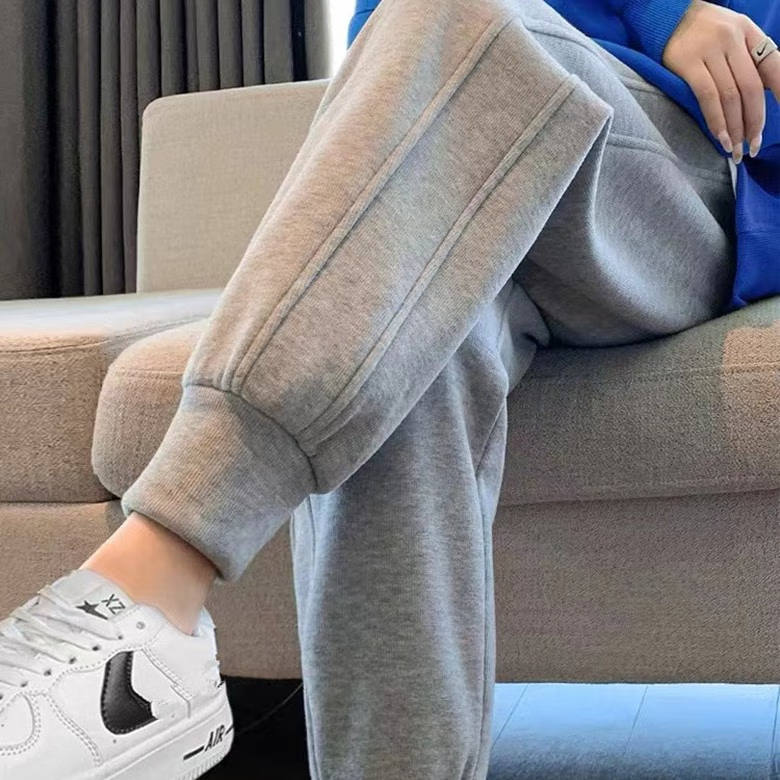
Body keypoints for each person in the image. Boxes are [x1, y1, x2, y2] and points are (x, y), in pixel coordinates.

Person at [0, 0, 777, 778]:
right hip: (486, 174)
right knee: (398, 339)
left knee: (456, 20)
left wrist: (672, 16)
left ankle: (152, 577)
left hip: (689, 191)